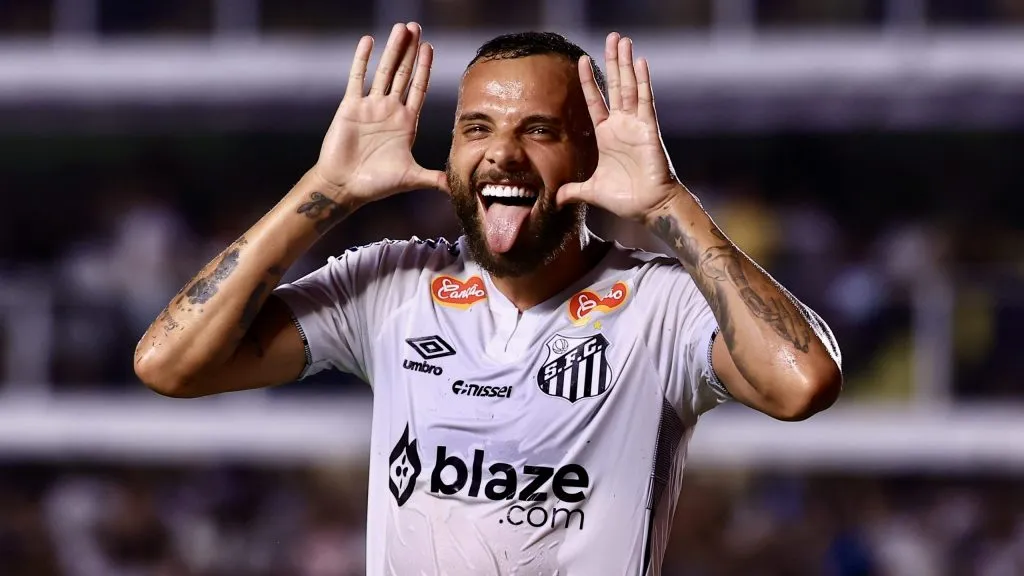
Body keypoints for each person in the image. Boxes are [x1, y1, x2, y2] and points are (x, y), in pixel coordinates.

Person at [134, 23, 842, 576]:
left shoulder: (659, 304)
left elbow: (802, 382)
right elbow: (170, 364)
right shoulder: (390, 286)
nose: (502, 153)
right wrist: (325, 192)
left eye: (538, 130)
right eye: (478, 129)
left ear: (591, 156)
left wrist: (671, 207)